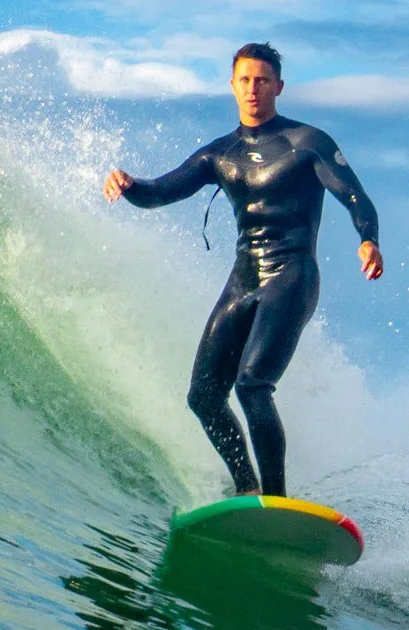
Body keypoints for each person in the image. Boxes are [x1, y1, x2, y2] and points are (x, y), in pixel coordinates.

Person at [105, 43, 382, 499]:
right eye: (245, 80)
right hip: (244, 280)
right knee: (204, 397)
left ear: (278, 86)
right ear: (233, 85)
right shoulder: (219, 154)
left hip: (292, 274)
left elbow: (355, 196)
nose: (254, 89)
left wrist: (367, 239)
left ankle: (276, 499)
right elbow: (161, 192)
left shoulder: (307, 143)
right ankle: (245, 489)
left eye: (263, 81)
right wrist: (129, 185)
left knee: (253, 384)